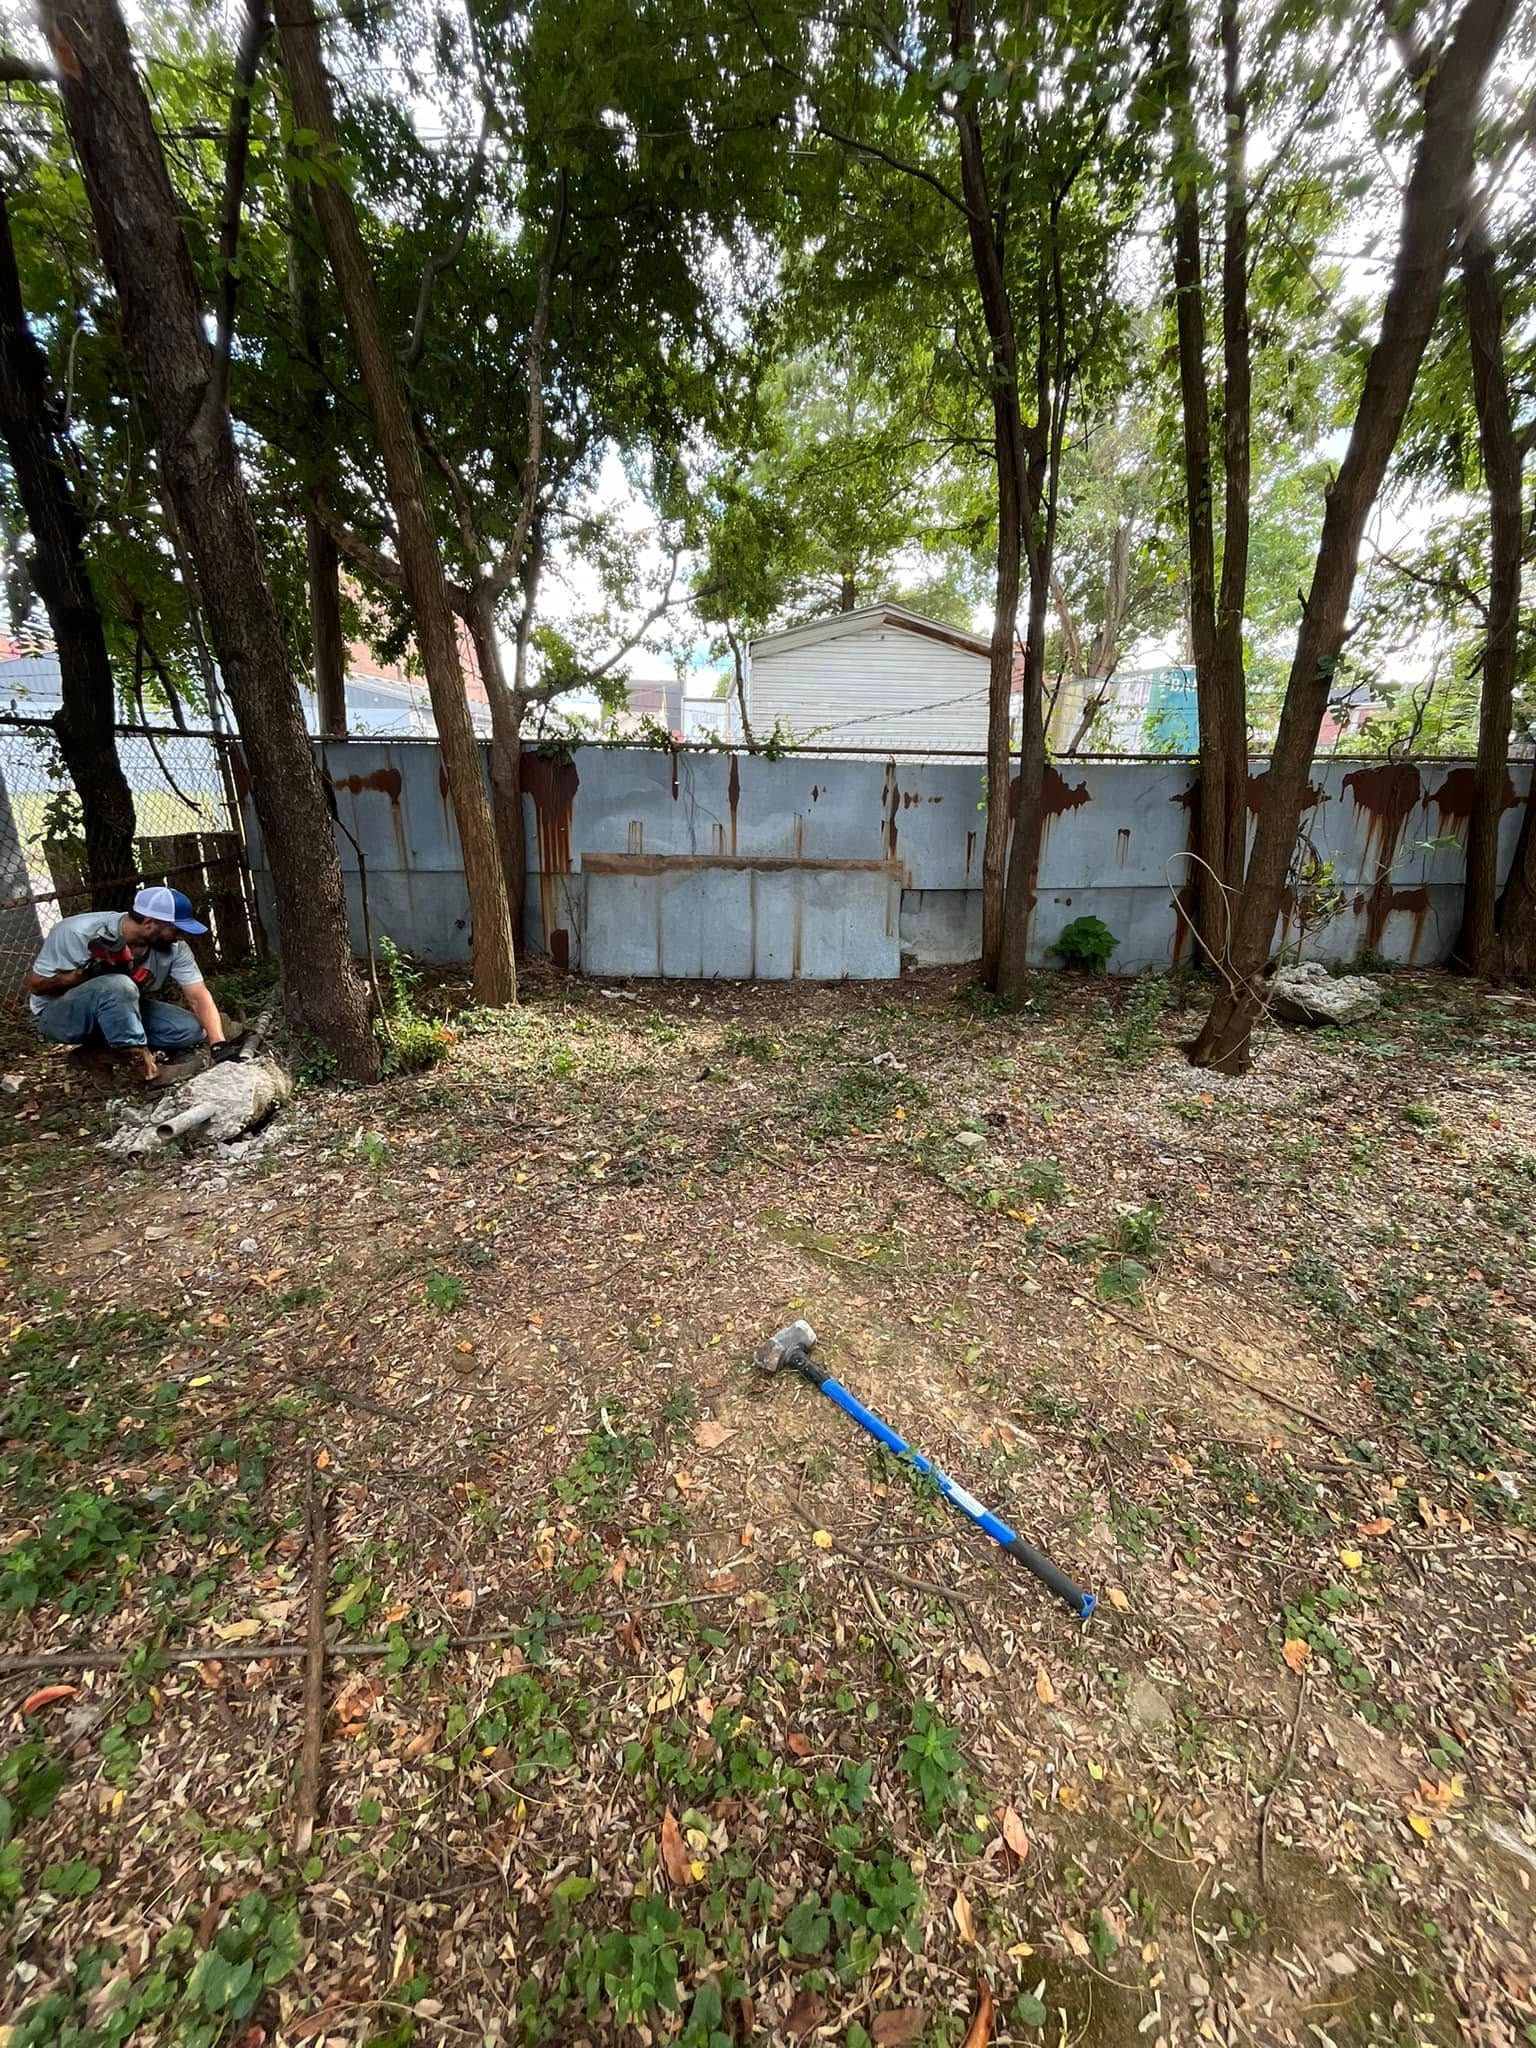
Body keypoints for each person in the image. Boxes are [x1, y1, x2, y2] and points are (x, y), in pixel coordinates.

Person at [26, 884, 230, 1085]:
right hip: (59, 1017)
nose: (181, 936)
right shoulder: (76, 932)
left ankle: (95, 1054)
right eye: (176, 930)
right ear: (150, 922)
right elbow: (36, 985)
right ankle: (144, 1069)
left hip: (122, 1011)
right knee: (118, 985)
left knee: (190, 1029)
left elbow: (197, 995)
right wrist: (79, 977)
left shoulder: (175, 948)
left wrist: (218, 1044)